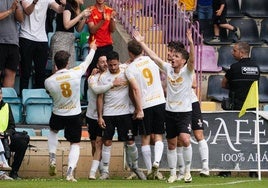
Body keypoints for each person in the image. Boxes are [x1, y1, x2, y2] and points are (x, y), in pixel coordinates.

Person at [133, 29, 194, 183]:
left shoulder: (188, 72)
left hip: (185, 112)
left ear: (183, 61)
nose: (172, 58)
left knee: (185, 140)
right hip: (169, 112)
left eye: (176, 57)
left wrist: (192, 43)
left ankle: (187, 171)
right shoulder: (168, 69)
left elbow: (192, 60)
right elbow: (154, 57)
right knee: (172, 143)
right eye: (172, 56)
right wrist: (141, 42)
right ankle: (173, 173)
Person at [44, 40, 96, 182]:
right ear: (67, 63)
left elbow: (49, 92)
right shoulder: (75, 73)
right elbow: (86, 62)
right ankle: (70, 172)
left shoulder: (49, 81)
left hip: (58, 113)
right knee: (75, 143)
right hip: (74, 114)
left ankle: (53, 158)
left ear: (55, 64)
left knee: (53, 131)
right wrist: (92, 49)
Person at [96, 51, 146, 180]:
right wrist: (100, 116)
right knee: (107, 141)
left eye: (115, 64)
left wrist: (137, 108)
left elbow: (134, 89)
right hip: (109, 113)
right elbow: (100, 97)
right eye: (110, 65)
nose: (113, 67)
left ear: (119, 62)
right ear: (107, 63)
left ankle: (135, 168)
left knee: (130, 141)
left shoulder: (126, 71)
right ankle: (105, 171)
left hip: (125, 113)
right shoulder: (103, 77)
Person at [126, 40, 166, 180]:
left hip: (146, 104)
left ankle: (150, 170)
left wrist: (139, 109)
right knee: (159, 136)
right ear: (141, 50)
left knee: (146, 137)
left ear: (130, 53)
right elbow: (155, 57)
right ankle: (157, 164)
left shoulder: (130, 69)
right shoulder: (150, 60)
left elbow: (136, 89)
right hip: (160, 101)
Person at [221, 41, 260, 178]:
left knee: (231, 139)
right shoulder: (256, 68)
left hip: (236, 109)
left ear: (242, 52)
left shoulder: (234, 67)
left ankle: (226, 170)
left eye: (235, 50)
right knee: (250, 140)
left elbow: (223, 84)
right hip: (252, 109)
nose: (232, 52)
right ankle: (253, 170)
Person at [86, 54, 124, 179]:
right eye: (101, 62)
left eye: (105, 61)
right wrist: (113, 84)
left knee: (99, 142)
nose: (105, 64)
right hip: (92, 115)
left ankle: (100, 172)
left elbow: (125, 65)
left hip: (105, 114)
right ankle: (101, 169)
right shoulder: (93, 78)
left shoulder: (112, 75)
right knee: (94, 144)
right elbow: (97, 90)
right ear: (97, 64)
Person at [19, 0, 66, 93]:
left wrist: (63, 4)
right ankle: (23, 98)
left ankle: (39, 100)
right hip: (26, 36)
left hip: (42, 39)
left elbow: (59, 10)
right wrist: (34, 2)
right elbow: (28, 11)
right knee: (25, 72)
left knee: (40, 73)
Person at [50, 0, 91, 73]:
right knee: (59, 69)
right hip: (60, 39)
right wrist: (81, 15)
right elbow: (66, 25)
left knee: (71, 68)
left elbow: (78, 29)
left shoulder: (78, 8)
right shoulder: (68, 5)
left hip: (70, 40)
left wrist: (84, 18)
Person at [0, 87, 30, 180]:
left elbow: (12, 126)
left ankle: (14, 172)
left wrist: (7, 133)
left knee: (23, 141)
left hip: (4, 136)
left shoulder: (6, 106)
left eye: (0, 93)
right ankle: (2, 171)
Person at [0, 0, 24, 88]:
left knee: (11, 74)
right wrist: (10, 10)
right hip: (0, 41)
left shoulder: (15, 1)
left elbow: (21, 19)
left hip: (13, 42)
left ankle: (7, 101)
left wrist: (16, 7)